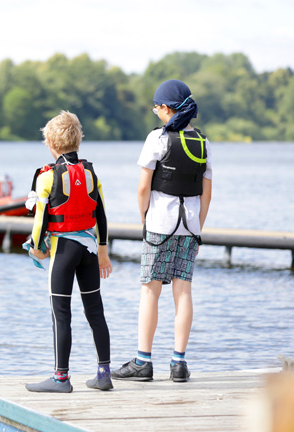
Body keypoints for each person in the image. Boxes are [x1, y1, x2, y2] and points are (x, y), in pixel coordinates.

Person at [112, 79, 212, 383]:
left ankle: (143, 362)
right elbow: (207, 192)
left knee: (150, 289)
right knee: (183, 291)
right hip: (190, 225)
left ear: (166, 109)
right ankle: (178, 364)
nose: (155, 111)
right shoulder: (202, 142)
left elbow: (143, 187)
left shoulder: (156, 139)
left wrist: (143, 218)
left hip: (159, 223)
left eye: (156, 107)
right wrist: (198, 226)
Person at [24, 110, 113, 393]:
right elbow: (101, 213)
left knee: (61, 314)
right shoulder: (90, 172)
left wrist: (37, 248)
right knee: (95, 311)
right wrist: (103, 250)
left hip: (62, 250)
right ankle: (103, 373)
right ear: (79, 140)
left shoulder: (47, 177)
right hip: (89, 249)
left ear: (51, 144)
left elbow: (40, 219)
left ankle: (61, 378)